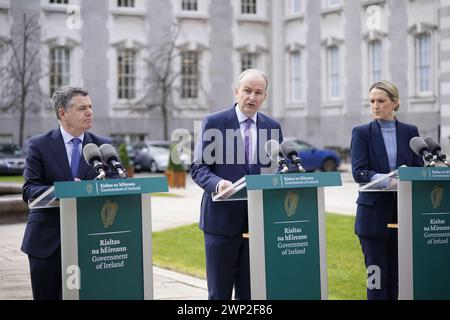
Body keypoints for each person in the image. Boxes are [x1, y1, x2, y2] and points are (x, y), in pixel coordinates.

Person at [191, 69, 283, 300]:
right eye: (247, 91)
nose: (252, 97)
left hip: (257, 224)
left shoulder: (272, 127)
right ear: (236, 92)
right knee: (219, 294)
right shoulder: (214, 122)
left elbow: (278, 168)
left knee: (251, 294)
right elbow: (198, 168)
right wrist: (218, 183)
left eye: (258, 92)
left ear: (265, 97)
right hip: (221, 222)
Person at [21, 86, 114, 300]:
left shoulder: (103, 146)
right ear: (62, 113)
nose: (90, 112)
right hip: (46, 243)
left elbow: (117, 183)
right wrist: (64, 191)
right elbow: (29, 189)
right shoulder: (39, 145)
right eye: (82, 108)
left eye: (90, 107)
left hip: (91, 242)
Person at [350, 80, 423, 300]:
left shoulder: (411, 132)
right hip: (372, 218)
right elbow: (359, 172)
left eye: (381, 101)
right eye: (372, 101)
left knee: (395, 281)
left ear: (395, 103)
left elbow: (418, 169)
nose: (375, 106)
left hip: (403, 216)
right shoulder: (361, 133)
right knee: (376, 280)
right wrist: (391, 180)